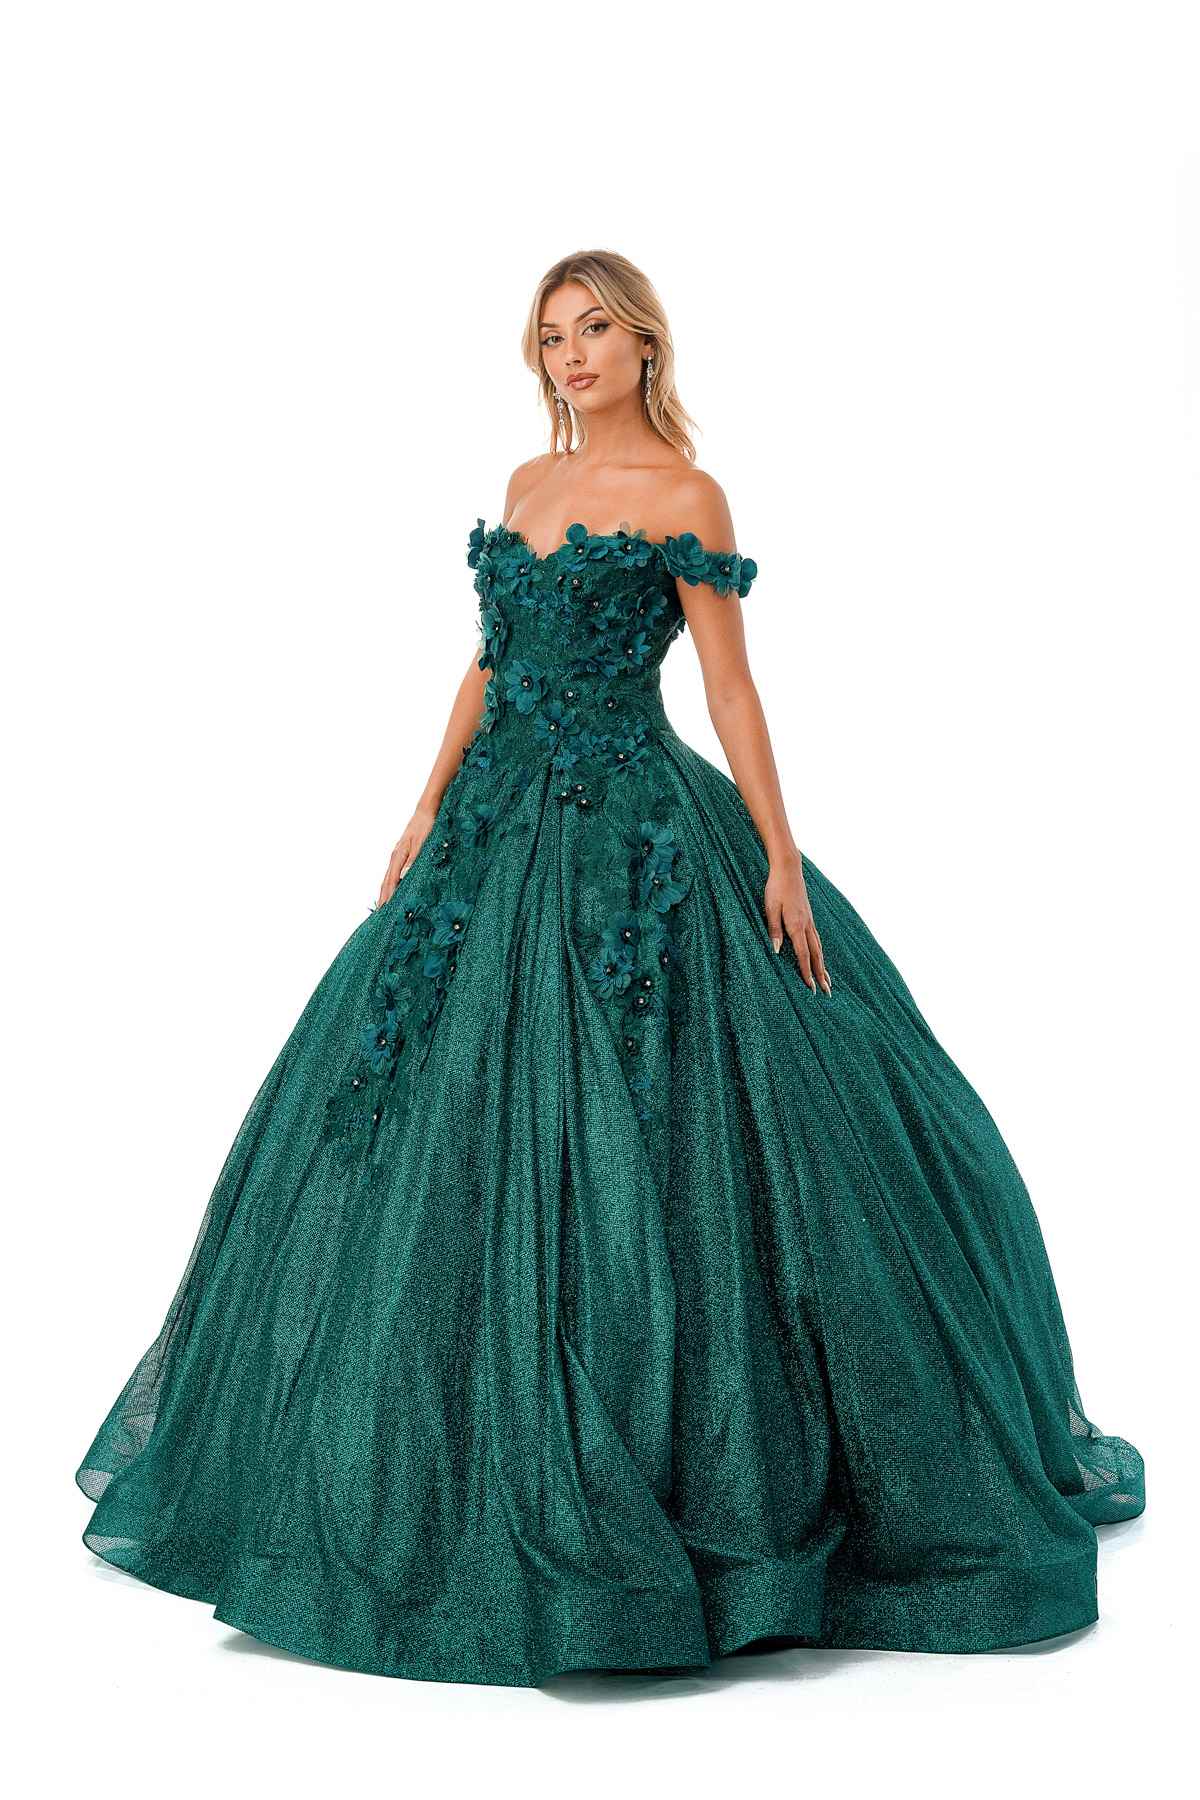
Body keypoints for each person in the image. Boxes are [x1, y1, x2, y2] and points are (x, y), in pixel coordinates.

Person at [76, 248, 1145, 1689]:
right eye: (549, 336)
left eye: (593, 330)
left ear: (645, 343)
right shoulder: (527, 484)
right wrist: (423, 801)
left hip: (633, 834)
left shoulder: (687, 499)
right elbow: (487, 659)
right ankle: (429, 1464)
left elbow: (728, 683)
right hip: (490, 829)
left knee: (680, 1124)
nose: (570, 354)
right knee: (427, 1124)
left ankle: (693, 1474)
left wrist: (779, 854)